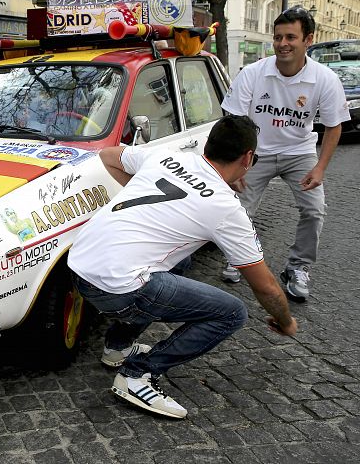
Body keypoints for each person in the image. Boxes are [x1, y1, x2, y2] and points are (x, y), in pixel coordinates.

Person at [68, 115, 297, 419]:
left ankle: (117, 347)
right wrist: (285, 321)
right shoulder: (226, 207)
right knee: (232, 313)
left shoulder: (166, 157)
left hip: (78, 265)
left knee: (181, 261)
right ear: (248, 158)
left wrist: (141, 192)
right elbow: (265, 286)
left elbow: (108, 156)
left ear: (208, 144)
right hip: (118, 288)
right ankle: (137, 375)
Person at [220, 6, 350, 301]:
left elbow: (333, 127)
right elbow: (233, 121)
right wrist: (236, 165)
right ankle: (242, 258)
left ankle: (298, 268)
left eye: (291, 37)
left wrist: (320, 169)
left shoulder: (325, 79)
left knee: (314, 210)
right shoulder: (253, 73)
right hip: (255, 152)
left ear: (308, 40)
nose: (282, 44)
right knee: (238, 209)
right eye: (278, 37)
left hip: (300, 152)